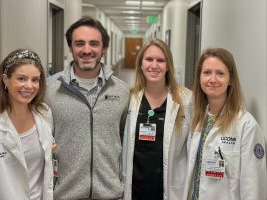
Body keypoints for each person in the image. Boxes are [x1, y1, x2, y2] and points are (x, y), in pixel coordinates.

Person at [46, 16, 130, 199]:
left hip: (111, 195)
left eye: (94, 43)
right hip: (63, 195)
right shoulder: (49, 90)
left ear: (104, 48)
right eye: (79, 43)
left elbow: (125, 140)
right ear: (70, 47)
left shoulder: (122, 91)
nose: (86, 50)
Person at [0, 49, 54, 200]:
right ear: (5, 80)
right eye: (21, 79)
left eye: (35, 80)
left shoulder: (44, 114)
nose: (29, 86)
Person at [183, 48, 267, 200]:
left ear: (231, 79)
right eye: (207, 72)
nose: (212, 79)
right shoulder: (197, 119)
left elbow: (253, 187)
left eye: (220, 73)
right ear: (200, 77)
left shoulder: (246, 126)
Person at [122, 39, 193, 200]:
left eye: (160, 60)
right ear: (141, 64)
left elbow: (193, 146)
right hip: (135, 188)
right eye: (148, 59)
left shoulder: (187, 100)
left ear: (168, 66)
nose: (154, 65)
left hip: (168, 187)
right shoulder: (130, 98)